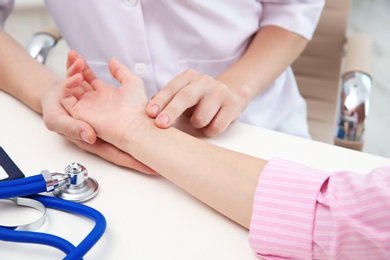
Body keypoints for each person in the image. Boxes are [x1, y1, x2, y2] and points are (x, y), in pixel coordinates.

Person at [61, 53, 390, 259]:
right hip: (113, 142)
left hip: (254, 133)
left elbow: (340, 220)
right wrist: (49, 91)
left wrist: (137, 131)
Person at [0, 1, 324, 174]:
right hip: (102, 142)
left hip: (254, 129)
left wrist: (237, 88)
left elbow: (294, 7)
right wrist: (46, 89)